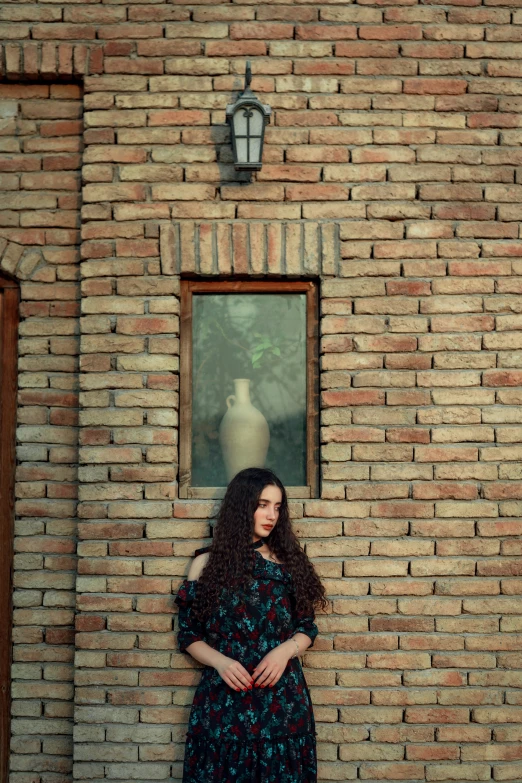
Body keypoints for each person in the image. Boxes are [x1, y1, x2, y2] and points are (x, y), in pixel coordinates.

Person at [174, 467, 328, 783]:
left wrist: (283, 653)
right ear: (243, 506)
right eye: (262, 504)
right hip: (224, 704)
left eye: (277, 506)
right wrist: (221, 662)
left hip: (282, 704)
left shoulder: (289, 563)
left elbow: (307, 627)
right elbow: (189, 634)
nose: (271, 514)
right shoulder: (205, 564)